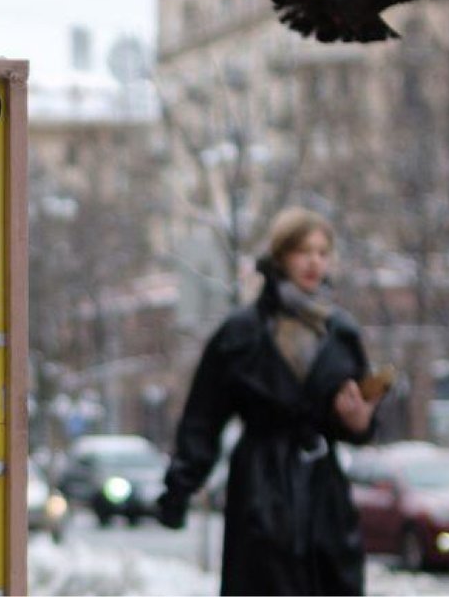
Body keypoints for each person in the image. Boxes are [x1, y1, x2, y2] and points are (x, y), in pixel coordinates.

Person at [156, 207, 379, 595]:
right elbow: (202, 418)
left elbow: (359, 414)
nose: (314, 262)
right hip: (260, 485)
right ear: (280, 257)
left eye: (322, 252)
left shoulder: (341, 332)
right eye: (303, 251)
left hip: (324, 491)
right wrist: (179, 489)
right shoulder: (241, 332)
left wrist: (359, 422)